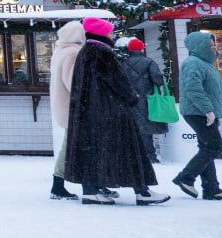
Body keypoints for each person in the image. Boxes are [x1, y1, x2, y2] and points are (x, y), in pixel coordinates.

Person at [64, 17, 169, 206]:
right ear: (102, 33)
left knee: (93, 151)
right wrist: (132, 98)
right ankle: (142, 191)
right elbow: (118, 81)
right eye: (110, 31)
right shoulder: (102, 52)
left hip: (89, 113)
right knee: (130, 150)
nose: (112, 35)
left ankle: (91, 191)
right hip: (110, 111)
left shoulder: (85, 52)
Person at [171, 31, 222, 200]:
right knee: (214, 146)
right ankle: (185, 177)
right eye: (210, 44)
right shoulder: (193, 63)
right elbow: (193, 89)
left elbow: (213, 91)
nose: (214, 47)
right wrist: (208, 110)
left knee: (207, 146)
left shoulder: (206, 63)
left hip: (206, 112)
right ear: (200, 46)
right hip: (197, 112)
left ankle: (211, 188)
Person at [48, 21, 85, 201]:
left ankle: (60, 183)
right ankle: (58, 184)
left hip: (63, 106)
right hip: (73, 108)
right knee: (70, 146)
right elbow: (73, 84)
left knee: (70, 145)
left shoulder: (59, 51)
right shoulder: (72, 53)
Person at [119, 37, 167, 164]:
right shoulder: (149, 62)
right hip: (147, 100)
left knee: (132, 128)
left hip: (129, 100)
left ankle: (133, 156)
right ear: (141, 49)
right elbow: (158, 79)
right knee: (146, 129)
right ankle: (150, 155)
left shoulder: (123, 64)